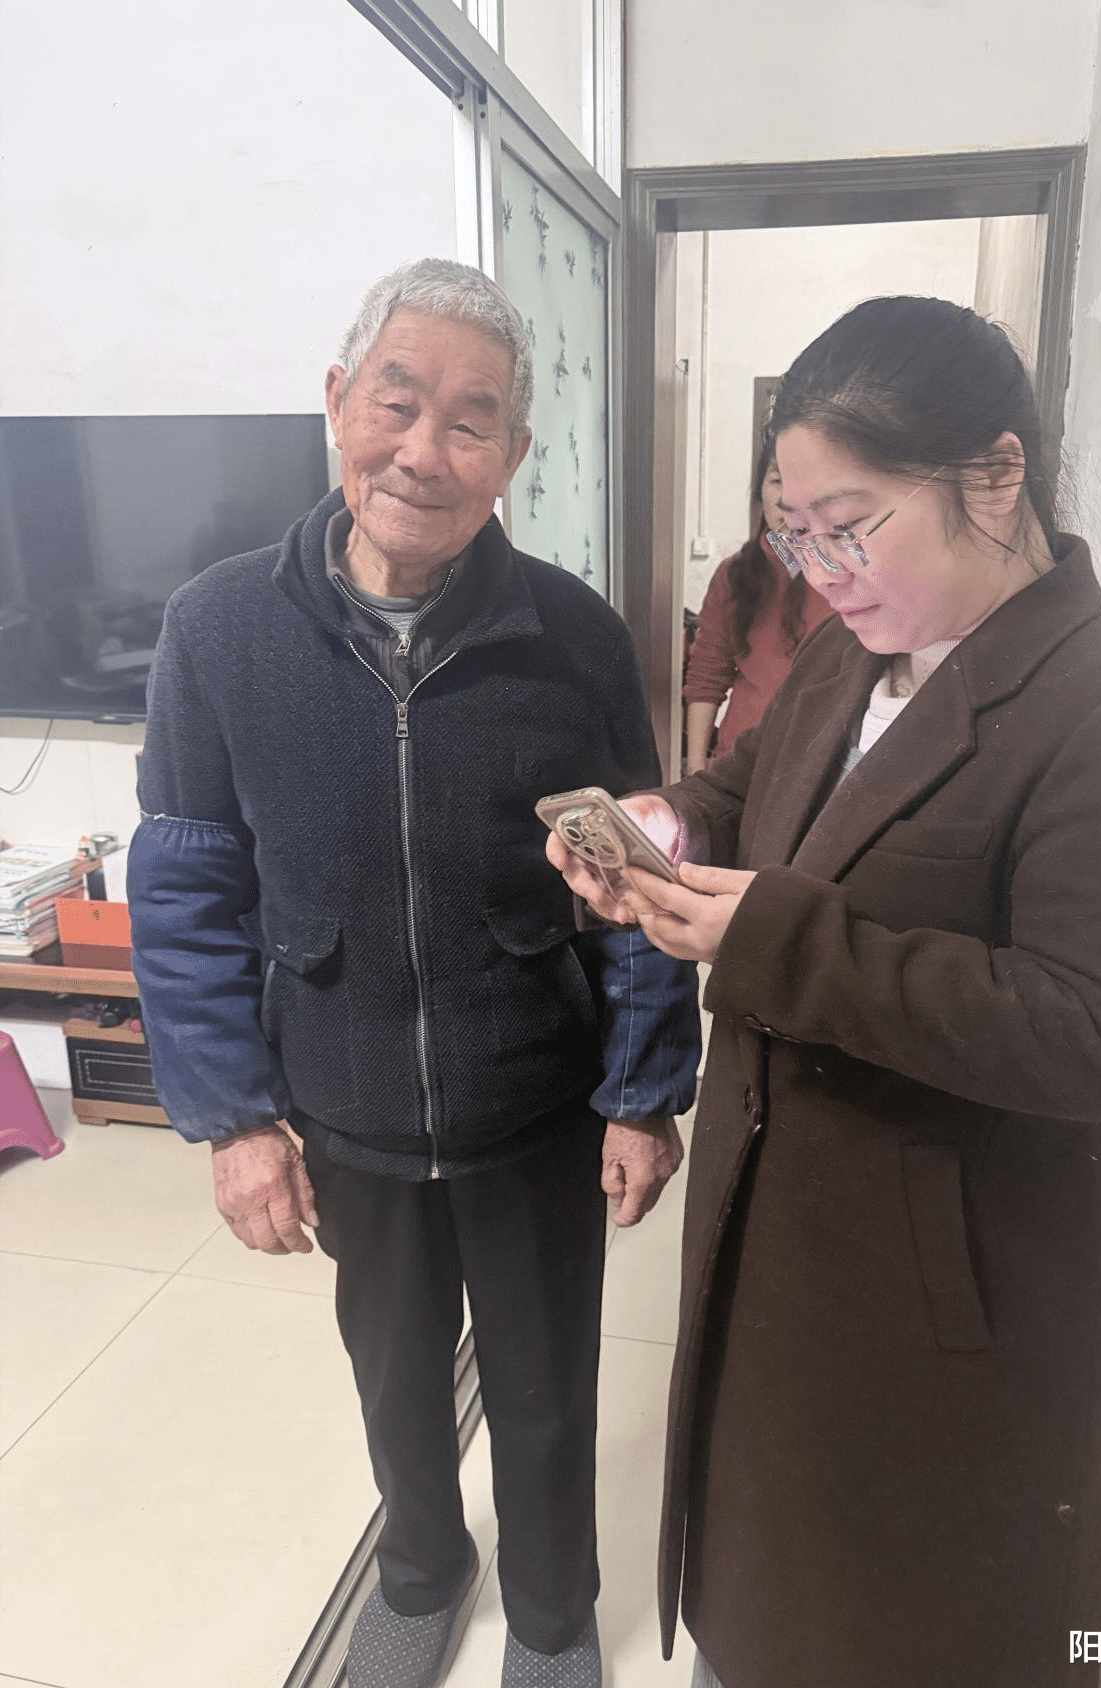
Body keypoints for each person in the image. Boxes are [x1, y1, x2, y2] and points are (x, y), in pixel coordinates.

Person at [548, 297, 1101, 1688]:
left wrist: (779, 941)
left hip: (949, 1295)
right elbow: (754, 789)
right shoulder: (846, 654)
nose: (819, 571)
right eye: (792, 534)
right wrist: (668, 824)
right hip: (778, 1238)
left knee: (917, 1622)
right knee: (765, 1587)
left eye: (848, 525)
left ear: (994, 474)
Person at [127, 258, 701, 1688]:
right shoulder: (218, 629)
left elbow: (635, 876)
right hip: (343, 1100)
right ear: (337, 403)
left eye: (471, 421)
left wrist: (642, 1091)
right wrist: (233, 1119)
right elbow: (188, 883)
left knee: (546, 1387)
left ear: (513, 453)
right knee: (392, 1382)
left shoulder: (572, 635)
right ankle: (421, 1570)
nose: (423, 452)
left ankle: (553, 1613)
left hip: (533, 1103)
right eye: (397, 402)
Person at [682, 434, 831, 772]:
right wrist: (696, 771)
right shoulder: (734, 573)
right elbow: (706, 675)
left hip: (821, 765)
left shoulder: (851, 577)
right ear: (760, 490)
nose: (788, 498)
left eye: (806, 480)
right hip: (740, 762)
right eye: (777, 480)